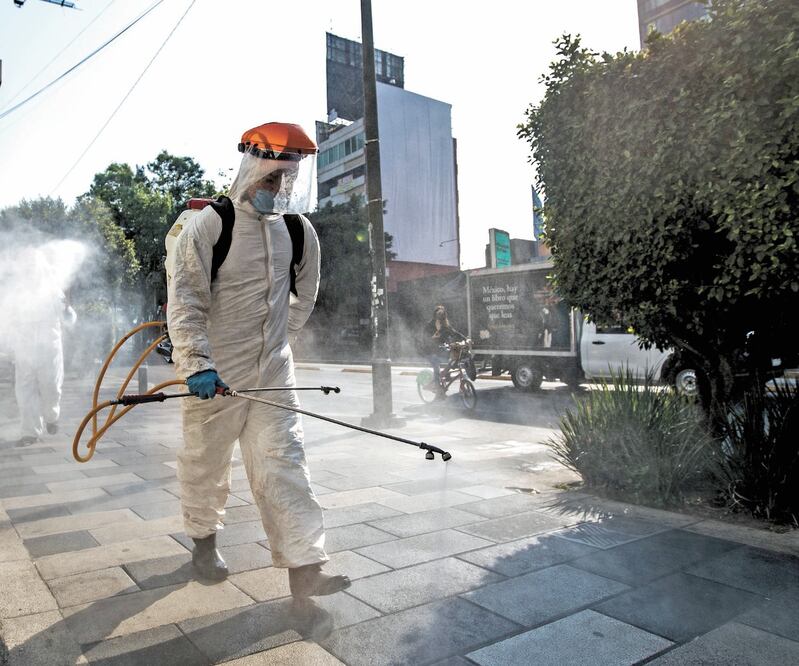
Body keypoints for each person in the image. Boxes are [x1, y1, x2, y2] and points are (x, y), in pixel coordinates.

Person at [167, 122, 349, 597]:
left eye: (288, 178)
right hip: (216, 372)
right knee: (205, 461)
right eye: (272, 177)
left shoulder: (298, 230)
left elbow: (304, 296)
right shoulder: (213, 224)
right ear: (251, 170)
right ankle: (204, 543)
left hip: (273, 373)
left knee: (284, 462)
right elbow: (186, 300)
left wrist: (277, 344)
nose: (279, 187)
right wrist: (197, 363)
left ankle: (305, 568)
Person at [11, 250, 77, 446]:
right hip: (24, 349)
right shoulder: (17, 293)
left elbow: (68, 319)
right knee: (25, 392)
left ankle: (51, 417)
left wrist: (67, 309)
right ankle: (30, 432)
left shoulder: (53, 291)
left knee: (51, 388)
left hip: (49, 349)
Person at [422, 305, 465, 395]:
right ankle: (438, 389)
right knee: (436, 365)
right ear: (435, 315)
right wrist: (432, 337)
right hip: (429, 351)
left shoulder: (445, 325)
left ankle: (445, 375)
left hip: (439, 350)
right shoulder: (430, 325)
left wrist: (466, 339)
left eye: (442, 314)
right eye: (438, 314)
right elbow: (424, 339)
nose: (440, 317)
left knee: (453, 359)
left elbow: (454, 333)